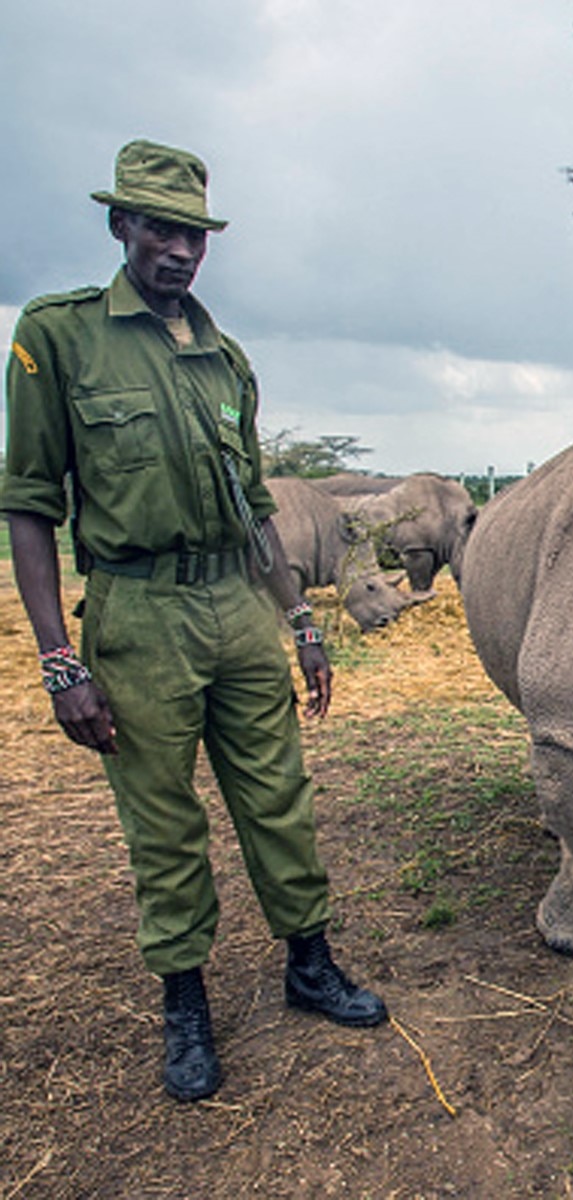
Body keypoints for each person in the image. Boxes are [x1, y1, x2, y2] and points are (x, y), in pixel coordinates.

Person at [2, 139, 388, 1103]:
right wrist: (59, 662)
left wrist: (300, 622)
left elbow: (253, 505)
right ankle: (186, 1006)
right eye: (161, 228)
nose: (180, 249)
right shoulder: (59, 338)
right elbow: (28, 504)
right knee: (165, 825)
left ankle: (310, 965)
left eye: (196, 234)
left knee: (278, 799)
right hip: (137, 616)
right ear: (120, 225)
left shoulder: (226, 357)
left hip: (236, 606)